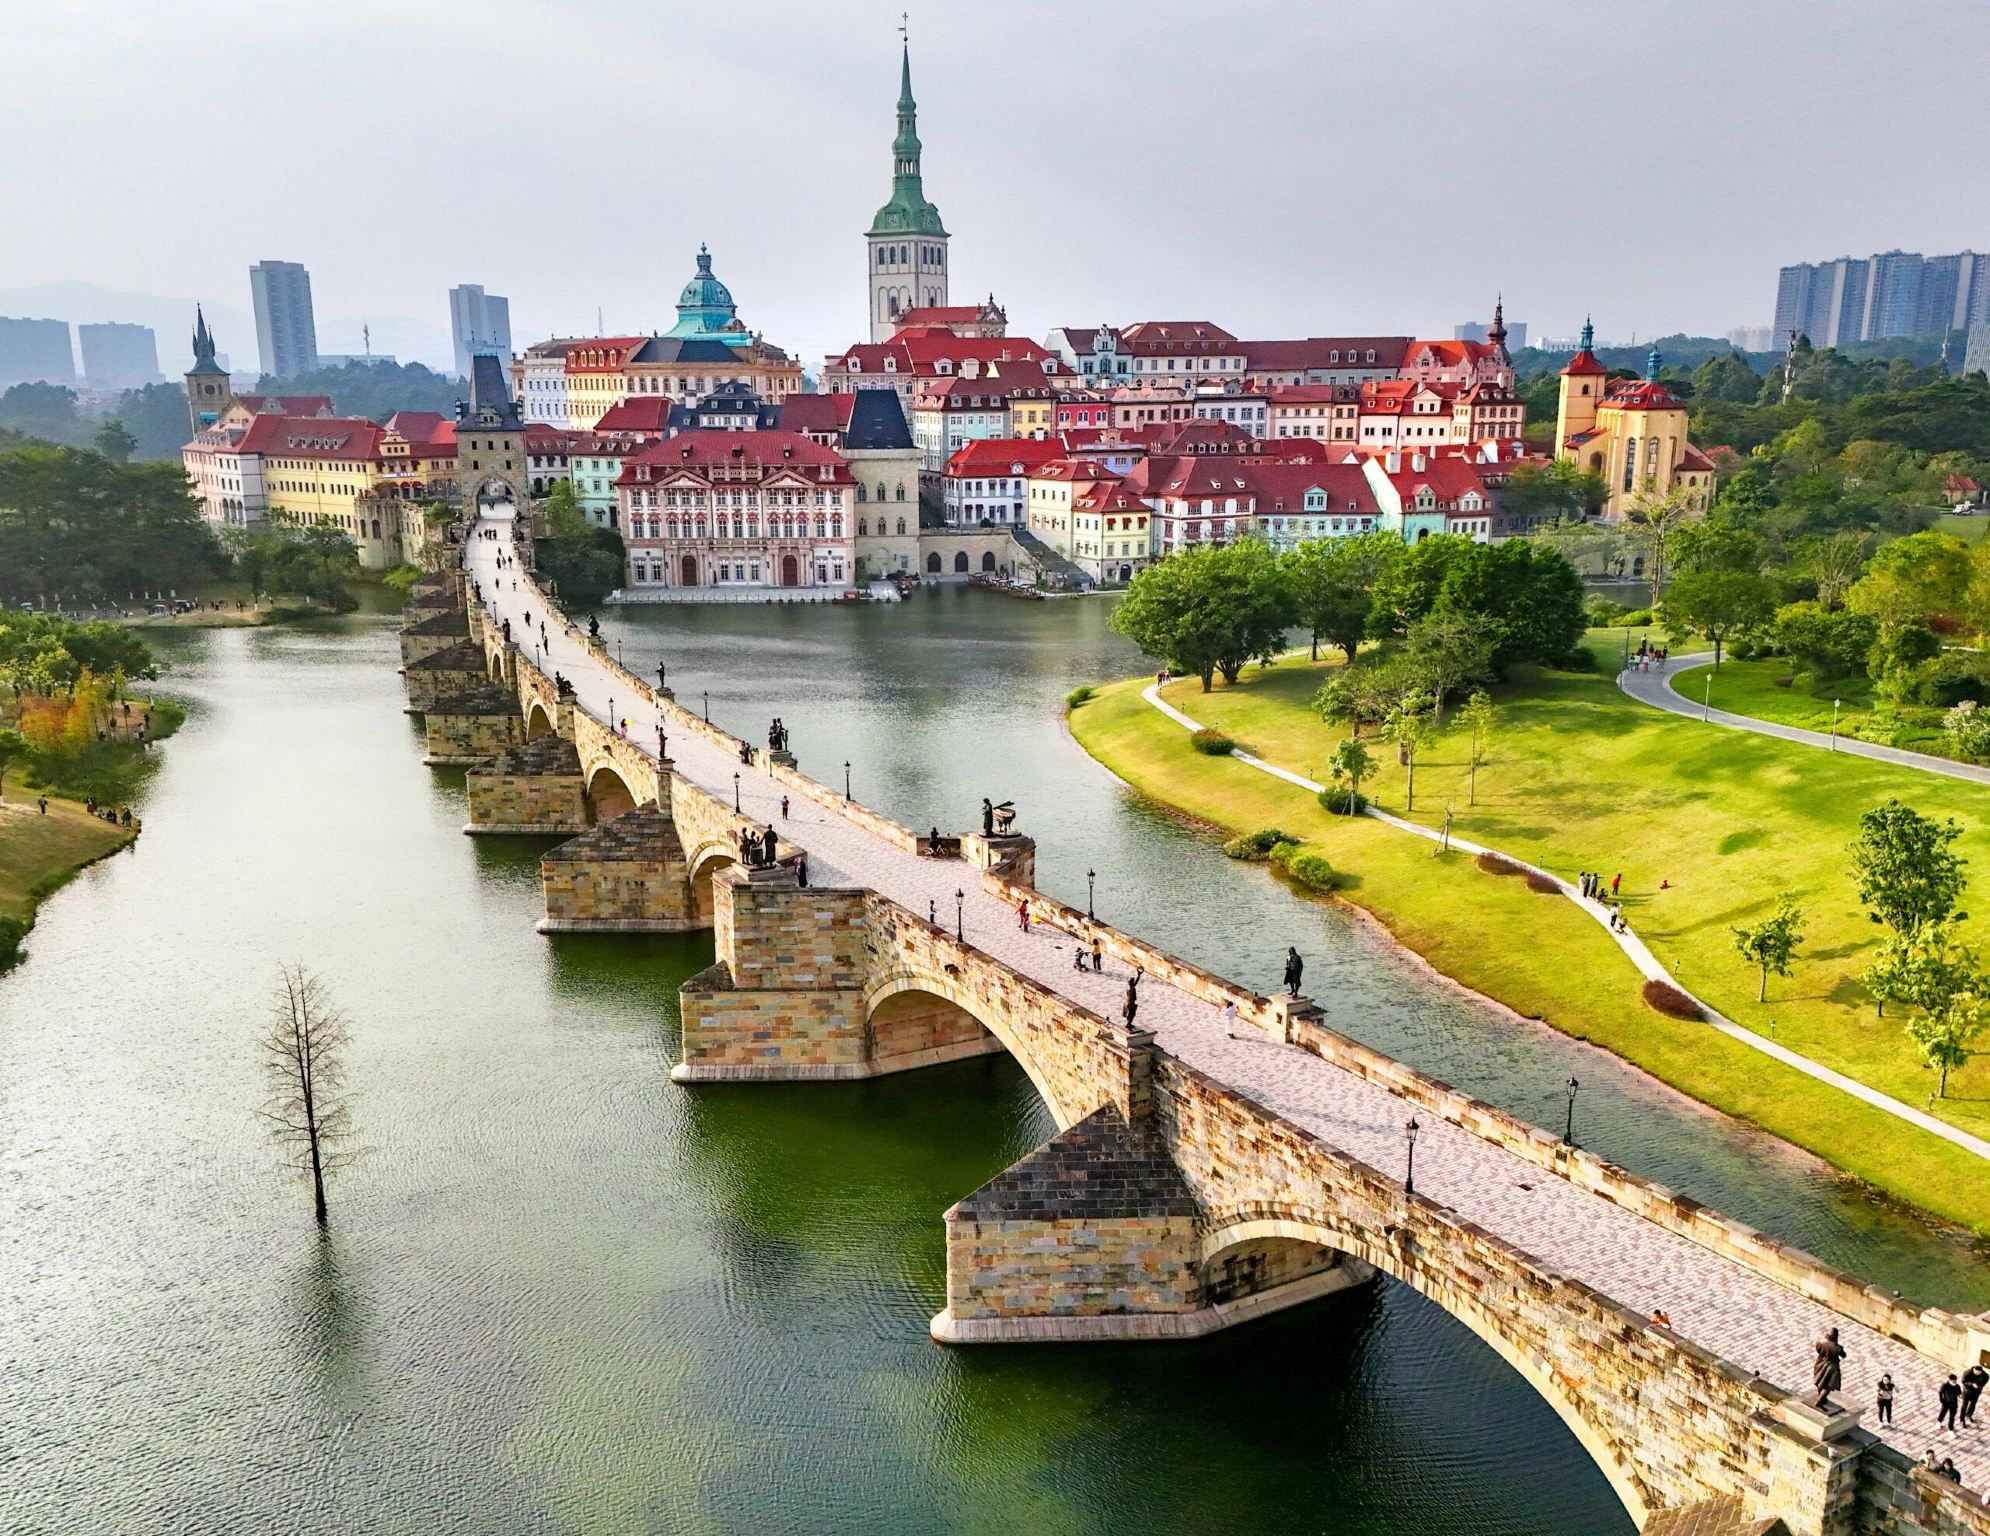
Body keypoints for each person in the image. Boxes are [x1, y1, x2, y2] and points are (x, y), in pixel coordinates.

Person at [1813, 1327, 1845, 1410]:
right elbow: (1843, 1355)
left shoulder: (1819, 1342)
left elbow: (1818, 1350)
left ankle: (1822, 1398)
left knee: (1820, 1381)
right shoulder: (1837, 1348)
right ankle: (1819, 1401)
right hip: (1832, 1366)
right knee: (1828, 1385)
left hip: (1820, 1362)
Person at [1962, 1361, 1987, 1425]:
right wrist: (1971, 1384)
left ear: (1981, 1371)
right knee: (1964, 1405)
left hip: (1976, 1392)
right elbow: (1963, 1382)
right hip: (1967, 1391)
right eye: (1976, 1372)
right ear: (1974, 1369)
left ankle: (1968, 1415)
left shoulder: (1985, 1376)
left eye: (1979, 1373)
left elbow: (1983, 1383)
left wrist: (1978, 1387)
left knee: (1973, 1404)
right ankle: (1962, 1420)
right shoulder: (1967, 1373)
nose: (1977, 1374)